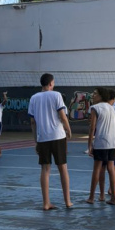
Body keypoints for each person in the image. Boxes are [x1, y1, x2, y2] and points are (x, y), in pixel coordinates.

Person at [28, 73, 73, 210]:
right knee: (63, 168)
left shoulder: (34, 98)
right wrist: (69, 130)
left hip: (43, 138)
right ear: (51, 83)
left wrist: (36, 140)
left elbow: (32, 122)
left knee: (45, 170)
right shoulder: (56, 95)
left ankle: (46, 203)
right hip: (58, 136)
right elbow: (62, 116)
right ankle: (67, 201)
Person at [86, 88, 115, 205]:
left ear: (101, 96)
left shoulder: (95, 108)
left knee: (97, 168)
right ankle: (113, 198)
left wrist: (89, 143)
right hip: (111, 142)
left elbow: (92, 127)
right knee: (111, 169)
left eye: (95, 94)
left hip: (101, 142)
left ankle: (91, 197)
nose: (93, 95)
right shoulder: (112, 108)